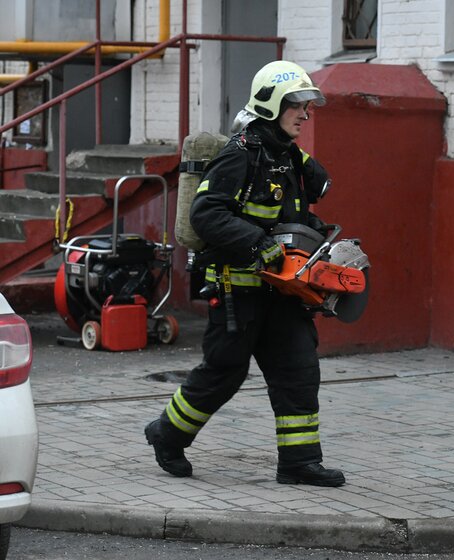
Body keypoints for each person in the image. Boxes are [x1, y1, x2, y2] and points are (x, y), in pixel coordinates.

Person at [144, 60, 344, 487]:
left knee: (298, 370)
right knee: (224, 373)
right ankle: (167, 434)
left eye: (307, 106)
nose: (305, 114)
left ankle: (299, 463)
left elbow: (294, 212)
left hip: (284, 294)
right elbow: (206, 213)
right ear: (272, 105)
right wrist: (256, 242)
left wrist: (316, 239)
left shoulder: (286, 157)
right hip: (239, 291)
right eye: (297, 105)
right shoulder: (240, 155)